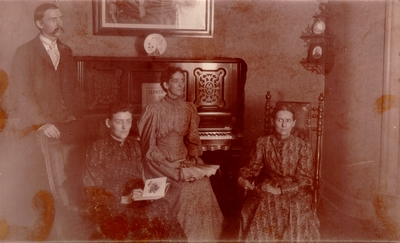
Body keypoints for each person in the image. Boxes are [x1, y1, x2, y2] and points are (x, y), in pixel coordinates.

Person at [0, 2, 81, 236]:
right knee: (45, 189)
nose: (59, 23)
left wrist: (74, 115)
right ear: (39, 23)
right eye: (53, 19)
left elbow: (72, 90)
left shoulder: (66, 51)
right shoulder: (24, 52)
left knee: (69, 182)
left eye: (60, 18)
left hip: (63, 127)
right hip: (35, 130)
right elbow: (21, 93)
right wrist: (41, 123)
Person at [138, 66, 224, 242]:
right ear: (165, 84)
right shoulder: (154, 109)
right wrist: (170, 164)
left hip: (184, 160)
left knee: (203, 184)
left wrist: (192, 158)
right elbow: (148, 146)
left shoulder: (189, 108)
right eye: (175, 81)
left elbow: (192, 139)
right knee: (184, 189)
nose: (180, 84)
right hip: (160, 163)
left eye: (182, 81)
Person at [83, 102, 187, 242]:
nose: (125, 127)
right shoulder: (97, 149)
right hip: (110, 209)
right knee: (159, 211)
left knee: (163, 205)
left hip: (134, 203)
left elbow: (137, 179)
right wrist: (124, 199)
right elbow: (92, 191)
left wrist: (147, 192)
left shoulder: (133, 146)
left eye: (128, 121)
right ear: (108, 123)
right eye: (119, 122)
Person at [238, 105, 320, 242]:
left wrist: (280, 190)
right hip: (269, 185)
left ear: (293, 123)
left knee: (294, 206)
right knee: (263, 202)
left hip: (295, 189)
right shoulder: (263, 143)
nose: (283, 124)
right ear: (273, 121)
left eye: (288, 121)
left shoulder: (302, 146)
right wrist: (242, 179)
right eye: (279, 120)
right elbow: (253, 168)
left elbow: (305, 179)